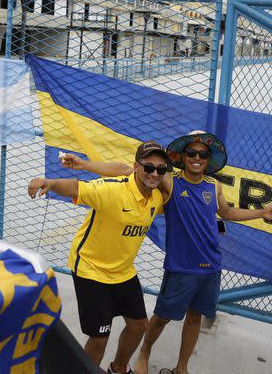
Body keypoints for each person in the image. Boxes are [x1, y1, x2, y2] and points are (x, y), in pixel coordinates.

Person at [61, 130, 272, 374]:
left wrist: (262, 213)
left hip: (210, 266)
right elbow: (125, 170)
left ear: (209, 159)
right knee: (162, 317)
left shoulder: (214, 185)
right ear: (183, 156)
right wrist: (84, 164)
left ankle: (182, 367)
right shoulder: (169, 180)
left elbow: (227, 213)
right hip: (180, 266)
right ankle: (144, 353)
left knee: (195, 317)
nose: (197, 157)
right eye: (191, 152)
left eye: (203, 154)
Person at [28, 141, 170, 374]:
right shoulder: (112, 191)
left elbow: (129, 170)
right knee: (99, 339)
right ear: (137, 167)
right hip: (91, 269)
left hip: (123, 271)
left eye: (161, 169)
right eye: (148, 167)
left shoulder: (157, 198)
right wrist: (50, 183)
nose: (154, 173)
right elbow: (76, 188)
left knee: (138, 325)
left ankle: (117, 369)